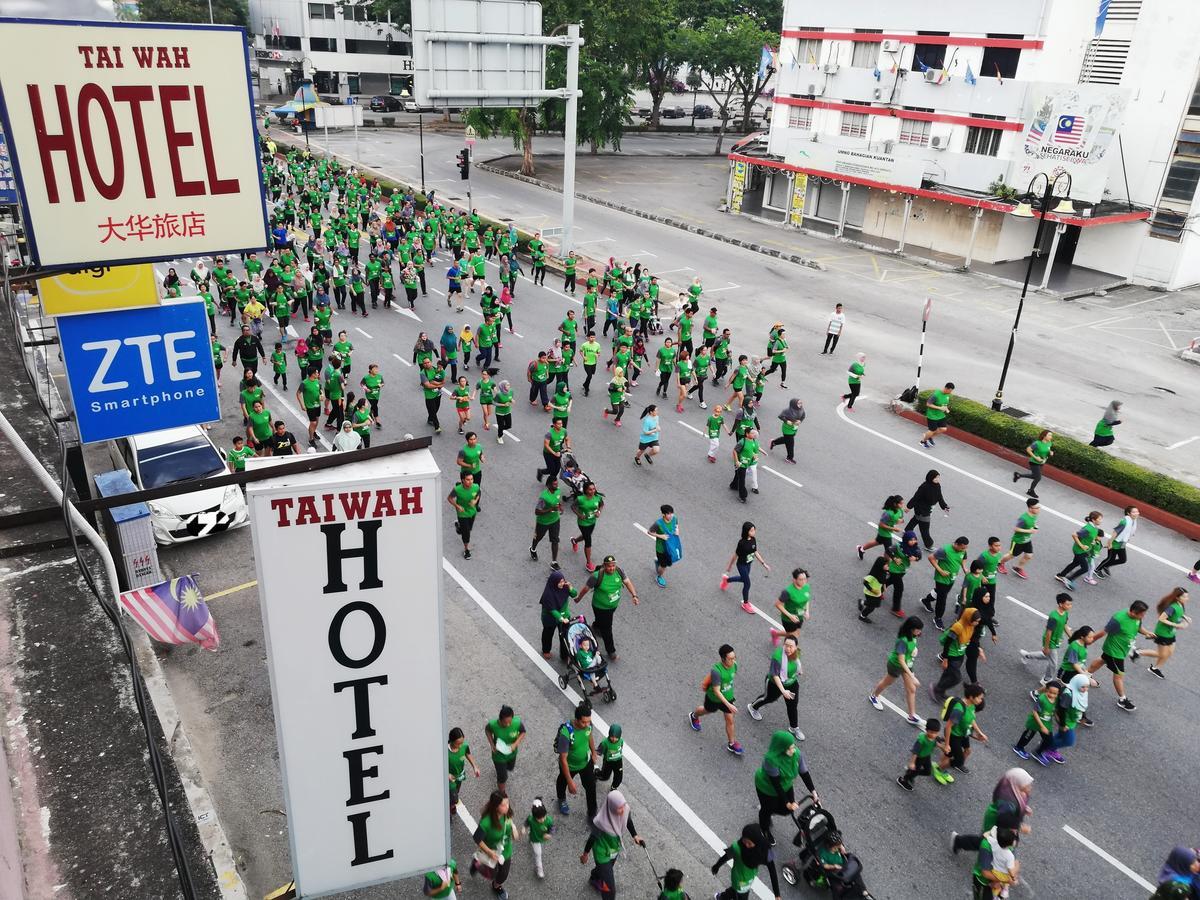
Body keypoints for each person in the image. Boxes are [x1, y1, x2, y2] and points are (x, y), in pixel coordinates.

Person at [951, 769, 1034, 855]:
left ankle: (960, 842)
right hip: (997, 821)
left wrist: (1024, 808)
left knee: (994, 843)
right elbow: (1004, 819)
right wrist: (1020, 827)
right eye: (1027, 785)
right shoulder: (1009, 801)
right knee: (988, 842)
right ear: (1017, 785)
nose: (1030, 787)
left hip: (1004, 823)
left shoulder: (1015, 793)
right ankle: (958, 841)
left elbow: (1017, 805)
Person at [753, 730, 815, 844]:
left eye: (793, 746)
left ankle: (768, 809)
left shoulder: (796, 754)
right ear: (781, 748)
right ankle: (764, 830)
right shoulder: (771, 760)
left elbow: (804, 772)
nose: (793, 749)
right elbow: (776, 784)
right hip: (767, 788)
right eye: (790, 748)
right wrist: (787, 802)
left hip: (786, 785)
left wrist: (813, 792)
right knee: (767, 811)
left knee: (787, 811)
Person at [573, 555, 640, 660]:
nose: (612, 568)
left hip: (613, 606)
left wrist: (634, 595)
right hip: (600, 607)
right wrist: (578, 598)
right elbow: (586, 588)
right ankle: (611, 651)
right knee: (607, 628)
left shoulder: (619, 571)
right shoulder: (596, 576)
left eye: (613, 565)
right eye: (609, 566)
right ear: (604, 566)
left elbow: (627, 582)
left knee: (603, 622)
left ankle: (595, 627)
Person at [579, 790, 643, 897]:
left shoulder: (625, 809)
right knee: (610, 889)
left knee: (605, 870)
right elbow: (592, 838)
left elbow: (628, 820)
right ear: (611, 807)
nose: (623, 809)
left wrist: (635, 835)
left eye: (623, 805)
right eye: (619, 807)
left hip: (614, 849)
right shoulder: (601, 821)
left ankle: (594, 878)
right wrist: (585, 854)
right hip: (602, 853)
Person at [690, 644, 744, 756]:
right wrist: (729, 705)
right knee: (706, 710)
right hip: (714, 698)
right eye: (730, 659)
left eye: (734, 657)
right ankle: (694, 716)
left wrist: (729, 702)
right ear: (723, 659)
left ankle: (731, 743)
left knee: (730, 720)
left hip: (728, 698)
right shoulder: (716, 671)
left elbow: (730, 679)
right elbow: (717, 691)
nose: (733, 661)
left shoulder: (735, 665)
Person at [870, 615, 924, 726]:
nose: (920, 632)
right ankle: (874, 696)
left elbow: (909, 652)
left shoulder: (913, 636)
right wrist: (912, 676)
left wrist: (914, 650)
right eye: (918, 629)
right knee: (887, 682)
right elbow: (901, 660)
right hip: (896, 665)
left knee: (911, 689)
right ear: (911, 629)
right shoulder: (902, 641)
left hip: (907, 664)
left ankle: (912, 715)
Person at [747, 635, 805, 740]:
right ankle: (752, 707)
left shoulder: (797, 652)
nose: (788, 648)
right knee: (768, 698)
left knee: (792, 705)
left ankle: (794, 727)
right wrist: (783, 691)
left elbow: (798, 663)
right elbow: (775, 675)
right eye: (786, 645)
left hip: (791, 682)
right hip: (775, 683)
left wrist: (799, 670)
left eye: (791, 646)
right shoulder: (777, 657)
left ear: (796, 647)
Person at [470, 790, 520, 900]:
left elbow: (510, 821)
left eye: (508, 803)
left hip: (505, 850)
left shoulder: (506, 812)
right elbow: (477, 839)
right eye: (503, 805)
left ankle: (496, 886)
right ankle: (476, 863)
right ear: (496, 806)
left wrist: (514, 829)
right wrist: (489, 852)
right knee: (489, 871)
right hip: (490, 850)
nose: (507, 807)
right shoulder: (486, 822)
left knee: (503, 874)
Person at [710, 824, 781, 900]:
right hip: (740, 880)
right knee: (741, 894)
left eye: (749, 843)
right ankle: (722, 897)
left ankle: (721, 897)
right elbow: (726, 857)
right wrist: (716, 866)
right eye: (744, 841)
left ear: (757, 841)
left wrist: (777, 894)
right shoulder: (737, 847)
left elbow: (772, 869)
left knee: (735, 891)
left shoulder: (766, 850)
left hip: (749, 878)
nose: (746, 845)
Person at [1131, 587, 1190, 679]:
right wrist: (1177, 625)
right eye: (1185, 597)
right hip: (1163, 633)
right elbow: (1161, 618)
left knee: (1169, 652)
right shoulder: (1172, 607)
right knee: (1162, 654)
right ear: (1177, 598)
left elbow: (1178, 613)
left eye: (1187, 597)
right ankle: (1137, 652)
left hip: (1170, 632)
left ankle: (1155, 668)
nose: (1187, 599)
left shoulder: (1180, 605)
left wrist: (1185, 617)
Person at [935, 682, 988, 781]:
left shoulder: (971, 705)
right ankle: (940, 768)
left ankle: (950, 761)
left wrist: (979, 733)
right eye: (979, 698)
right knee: (957, 758)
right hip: (954, 736)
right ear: (971, 697)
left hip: (963, 734)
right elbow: (948, 727)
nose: (981, 701)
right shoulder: (959, 709)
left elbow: (971, 719)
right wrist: (947, 744)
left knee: (967, 751)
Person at [555, 702, 598, 817]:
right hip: (569, 766)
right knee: (562, 782)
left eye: (589, 721)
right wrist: (570, 781)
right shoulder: (566, 733)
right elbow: (563, 759)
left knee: (591, 787)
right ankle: (561, 799)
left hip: (585, 762)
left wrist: (593, 752)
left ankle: (592, 813)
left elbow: (589, 736)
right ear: (577, 720)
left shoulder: (588, 725)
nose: (587, 724)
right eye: (584, 722)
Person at [1019, 593, 1072, 685]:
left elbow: (1065, 625)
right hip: (1050, 640)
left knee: (1046, 656)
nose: (1070, 606)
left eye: (1070, 604)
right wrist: (1046, 646)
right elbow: (1048, 632)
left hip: (1056, 640)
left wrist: (1072, 637)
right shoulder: (1054, 616)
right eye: (1068, 604)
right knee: (1054, 663)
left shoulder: (1065, 613)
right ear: (1060, 604)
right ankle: (1046, 680)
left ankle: (1027, 655)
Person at [920, 535, 970, 631]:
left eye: (965, 548)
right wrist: (940, 570)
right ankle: (938, 618)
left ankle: (926, 601)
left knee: (940, 592)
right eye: (962, 548)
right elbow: (931, 558)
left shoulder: (962, 550)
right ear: (956, 544)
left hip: (952, 578)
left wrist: (964, 567)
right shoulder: (944, 550)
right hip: (941, 579)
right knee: (942, 599)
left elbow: (964, 557)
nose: (964, 550)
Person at [931, 609, 981, 702]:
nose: (977, 623)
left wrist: (979, 648)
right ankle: (936, 689)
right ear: (969, 618)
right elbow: (947, 643)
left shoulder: (970, 626)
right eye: (976, 621)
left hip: (959, 655)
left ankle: (940, 691)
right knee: (956, 678)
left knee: (948, 674)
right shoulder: (958, 627)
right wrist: (945, 659)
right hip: (951, 656)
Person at [721, 521, 770, 613]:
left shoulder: (753, 539)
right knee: (747, 583)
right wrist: (729, 566)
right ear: (746, 531)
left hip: (748, 564)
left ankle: (726, 580)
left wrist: (764, 564)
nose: (754, 532)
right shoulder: (741, 543)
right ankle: (745, 603)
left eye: (754, 530)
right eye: (752, 530)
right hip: (741, 565)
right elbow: (735, 555)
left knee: (743, 579)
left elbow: (755, 552)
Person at [1012, 679, 1061, 766]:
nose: (1052, 695)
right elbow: (1035, 712)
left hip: (1046, 723)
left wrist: (1059, 721)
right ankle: (1019, 747)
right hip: (1035, 722)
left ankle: (1038, 752)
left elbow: (1054, 712)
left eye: (1055, 694)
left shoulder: (1056, 700)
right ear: (1046, 690)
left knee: (1049, 740)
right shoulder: (1042, 699)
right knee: (1028, 736)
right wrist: (1041, 726)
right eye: (1050, 692)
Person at [1055, 511, 1103, 589]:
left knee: (1074, 563)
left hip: (1085, 551)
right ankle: (1068, 580)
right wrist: (1081, 545)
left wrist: (1093, 541)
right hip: (1079, 550)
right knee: (1085, 568)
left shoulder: (1095, 528)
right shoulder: (1088, 529)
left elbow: (1090, 537)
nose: (1101, 521)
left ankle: (1060, 575)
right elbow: (1074, 535)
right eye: (1100, 519)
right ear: (1094, 520)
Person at [484, 706, 527, 794]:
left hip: (512, 753)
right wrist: (492, 744)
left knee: (510, 768)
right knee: (502, 777)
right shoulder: (493, 725)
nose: (507, 725)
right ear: (500, 719)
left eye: (509, 722)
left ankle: (503, 770)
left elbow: (523, 732)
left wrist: (515, 744)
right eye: (505, 723)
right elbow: (487, 730)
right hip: (498, 756)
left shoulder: (517, 722)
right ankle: (502, 793)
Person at [897, 717, 946, 791]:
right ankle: (903, 780)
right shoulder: (921, 739)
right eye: (931, 732)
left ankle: (911, 773)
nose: (933, 735)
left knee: (928, 772)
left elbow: (935, 743)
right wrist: (912, 762)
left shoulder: (935, 737)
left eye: (936, 733)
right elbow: (915, 752)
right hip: (919, 758)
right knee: (915, 770)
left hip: (927, 756)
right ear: (926, 730)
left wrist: (942, 747)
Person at [906, 470, 950, 550]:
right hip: (921, 509)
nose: (938, 479)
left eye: (938, 477)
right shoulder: (924, 487)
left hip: (928, 508)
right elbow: (916, 497)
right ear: (930, 478)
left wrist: (944, 506)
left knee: (917, 518)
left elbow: (940, 496)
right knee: (924, 528)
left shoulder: (937, 485)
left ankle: (908, 530)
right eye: (936, 478)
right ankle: (928, 545)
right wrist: (909, 507)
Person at [539, 568, 576, 661]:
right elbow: (552, 610)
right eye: (559, 582)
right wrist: (561, 618)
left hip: (565, 616)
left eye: (563, 581)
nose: (562, 584)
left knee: (565, 636)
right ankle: (546, 650)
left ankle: (564, 655)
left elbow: (575, 595)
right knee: (548, 634)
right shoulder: (548, 595)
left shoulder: (565, 587)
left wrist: (571, 587)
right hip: (550, 618)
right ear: (554, 582)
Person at [997, 498, 1039, 580]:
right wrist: (1029, 531)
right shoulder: (1023, 518)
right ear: (1030, 508)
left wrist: (1034, 527)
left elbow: (1033, 523)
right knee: (1011, 555)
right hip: (1018, 541)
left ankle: (1018, 568)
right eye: (1036, 508)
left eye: (1039, 507)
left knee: (1029, 555)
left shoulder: (1034, 515)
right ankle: (999, 563)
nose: (1038, 510)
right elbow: (1016, 529)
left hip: (1027, 540)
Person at [448, 726, 482, 820]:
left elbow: (467, 753)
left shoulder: (464, 746)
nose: (460, 746)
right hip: (450, 780)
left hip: (460, 776)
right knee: (454, 797)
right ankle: (448, 811)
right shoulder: (444, 752)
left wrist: (475, 766)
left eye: (461, 743)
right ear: (451, 741)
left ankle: (451, 803)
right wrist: (446, 774)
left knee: (456, 792)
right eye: (457, 744)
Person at [570, 481, 604, 573]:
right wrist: (579, 514)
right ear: (585, 490)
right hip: (583, 523)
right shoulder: (580, 499)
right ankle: (589, 563)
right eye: (590, 489)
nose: (592, 491)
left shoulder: (598, 497)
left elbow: (602, 505)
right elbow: (572, 507)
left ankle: (575, 541)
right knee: (588, 541)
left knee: (586, 536)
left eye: (593, 489)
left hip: (592, 521)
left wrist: (599, 512)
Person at [1095, 506, 1138, 578]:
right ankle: (1097, 570)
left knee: (1123, 559)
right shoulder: (1124, 521)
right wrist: (1110, 543)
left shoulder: (1133, 521)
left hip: (1122, 543)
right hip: (1115, 543)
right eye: (1134, 512)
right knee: (1110, 558)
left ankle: (1106, 566)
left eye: (1137, 512)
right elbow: (1115, 532)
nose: (1136, 513)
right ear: (1128, 513)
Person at [886, 534, 922, 618]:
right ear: (906, 540)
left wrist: (915, 558)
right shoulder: (898, 546)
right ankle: (895, 609)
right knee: (899, 588)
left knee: (890, 581)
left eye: (914, 540)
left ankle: (878, 588)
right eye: (911, 540)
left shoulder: (915, 548)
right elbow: (888, 550)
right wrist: (895, 558)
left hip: (902, 570)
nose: (913, 542)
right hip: (894, 569)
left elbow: (919, 556)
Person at [530, 476, 563, 565]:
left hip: (555, 520)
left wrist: (560, 506)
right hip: (543, 522)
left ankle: (554, 562)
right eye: (554, 484)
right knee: (538, 537)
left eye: (557, 483)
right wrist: (551, 509)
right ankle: (533, 548)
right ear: (548, 485)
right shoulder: (544, 497)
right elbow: (537, 512)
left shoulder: (558, 490)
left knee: (555, 540)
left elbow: (558, 499)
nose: (556, 486)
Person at [772, 567, 811, 641]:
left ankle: (775, 633)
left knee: (796, 634)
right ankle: (788, 650)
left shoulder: (806, 587)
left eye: (805, 579)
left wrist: (807, 611)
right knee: (793, 638)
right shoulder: (788, 592)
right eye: (801, 579)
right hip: (788, 619)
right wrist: (790, 616)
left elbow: (807, 599)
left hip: (800, 616)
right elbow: (778, 604)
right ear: (794, 580)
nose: (804, 581)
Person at [448, 472, 480, 559]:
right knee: (466, 534)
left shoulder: (476, 486)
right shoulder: (457, 489)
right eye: (468, 480)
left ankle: (459, 527)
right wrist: (457, 506)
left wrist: (475, 501)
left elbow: (478, 493)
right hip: (462, 513)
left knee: (468, 529)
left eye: (472, 479)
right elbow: (449, 498)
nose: (470, 482)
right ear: (463, 480)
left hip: (472, 512)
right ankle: (466, 550)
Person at [1012, 430, 1053, 499]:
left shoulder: (1049, 443)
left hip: (1042, 462)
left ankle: (1018, 475)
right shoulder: (1037, 443)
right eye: (1049, 435)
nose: (1051, 437)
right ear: (1044, 436)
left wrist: (1050, 452)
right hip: (1034, 462)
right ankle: (1030, 491)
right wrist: (1035, 457)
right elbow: (1028, 449)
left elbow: (1048, 449)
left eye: (1051, 435)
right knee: (1038, 477)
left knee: (1034, 476)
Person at [647, 504, 679, 588]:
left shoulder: (674, 518)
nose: (671, 515)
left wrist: (677, 530)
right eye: (668, 514)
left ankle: (658, 561)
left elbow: (676, 525)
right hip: (661, 548)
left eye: (672, 513)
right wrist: (661, 536)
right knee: (664, 566)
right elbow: (649, 532)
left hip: (671, 546)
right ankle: (659, 576)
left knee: (669, 562)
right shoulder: (658, 523)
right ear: (663, 514)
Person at [525, 797, 554, 880]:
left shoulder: (548, 820)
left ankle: (530, 836)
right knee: (538, 854)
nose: (542, 820)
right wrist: (524, 828)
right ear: (534, 817)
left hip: (539, 836)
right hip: (535, 839)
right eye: (539, 818)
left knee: (531, 833)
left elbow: (552, 828)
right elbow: (527, 822)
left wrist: (549, 834)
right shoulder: (531, 819)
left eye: (543, 817)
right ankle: (539, 870)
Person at [920, 382, 955, 448]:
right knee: (932, 430)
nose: (950, 392)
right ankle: (923, 442)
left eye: (951, 391)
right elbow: (928, 404)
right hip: (932, 415)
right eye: (950, 391)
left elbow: (944, 404)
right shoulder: (936, 394)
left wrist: (946, 409)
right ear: (946, 388)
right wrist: (939, 408)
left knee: (943, 429)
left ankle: (929, 436)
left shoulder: (948, 395)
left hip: (941, 415)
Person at [769, 398, 804, 464]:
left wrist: (800, 421)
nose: (800, 405)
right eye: (798, 403)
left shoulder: (801, 410)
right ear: (794, 404)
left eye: (801, 403)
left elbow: (803, 416)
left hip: (794, 428)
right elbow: (780, 416)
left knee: (786, 440)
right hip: (787, 429)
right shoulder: (787, 411)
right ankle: (789, 458)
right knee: (790, 444)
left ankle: (774, 442)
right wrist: (787, 421)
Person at [595, 723, 624, 788]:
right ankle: (596, 772)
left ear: (619, 736)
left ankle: (614, 787)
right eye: (612, 737)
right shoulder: (605, 743)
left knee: (619, 777)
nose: (614, 739)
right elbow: (598, 751)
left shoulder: (621, 741)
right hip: (608, 762)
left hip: (618, 761)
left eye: (616, 737)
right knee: (605, 777)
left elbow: (620, 748)